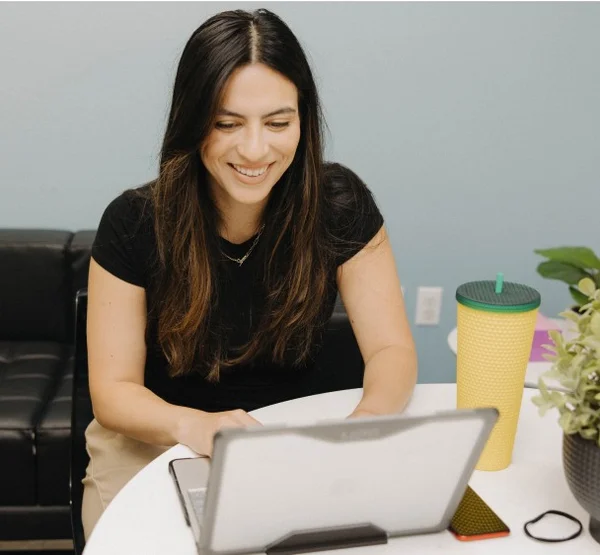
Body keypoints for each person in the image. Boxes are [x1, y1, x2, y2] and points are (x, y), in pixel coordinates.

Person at [82, 8, 417, 539]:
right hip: (156, 435)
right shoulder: (133, 222)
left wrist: (363, 428)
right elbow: (114, 391)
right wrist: (194, 426)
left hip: (288, 438)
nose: (256, 150)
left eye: (278, 123)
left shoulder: (341, 204)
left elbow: (391, 350)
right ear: (193, 124)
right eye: (227, 124)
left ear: (304, 121)